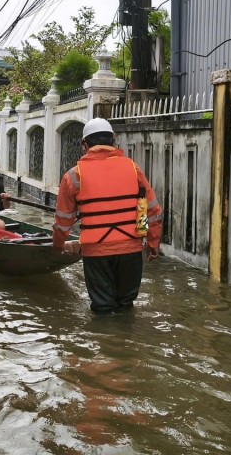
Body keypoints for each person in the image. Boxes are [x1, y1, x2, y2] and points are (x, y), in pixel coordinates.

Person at [52, 117, 162, 314]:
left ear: (84, 145)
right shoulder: (133, 168)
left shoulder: (73, 176)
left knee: (102, 308)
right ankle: (127, 341)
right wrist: (153, 245)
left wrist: (57, 246)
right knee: (126, 305)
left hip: (96, 252)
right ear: (114, 141)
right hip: (131, 249)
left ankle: (106, 341)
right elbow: (151, 211)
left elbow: (63, 221)